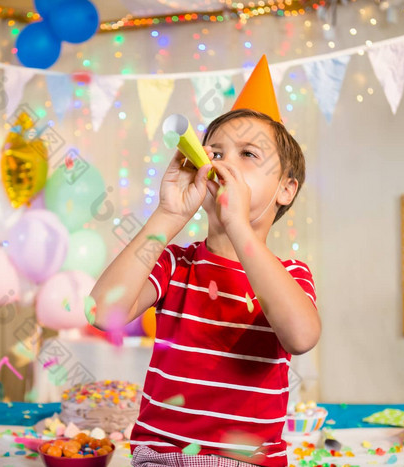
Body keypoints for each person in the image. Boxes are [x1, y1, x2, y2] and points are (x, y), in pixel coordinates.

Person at [90, 57, 320, 467]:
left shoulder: (288, 275)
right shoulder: (176, 265)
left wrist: (240, 228)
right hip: (160, 457)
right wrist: (168, 215)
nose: (223, 164)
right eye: (214, 152)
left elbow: (301, 337)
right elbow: (103, 311)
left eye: (248, 154)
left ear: (286, 189)